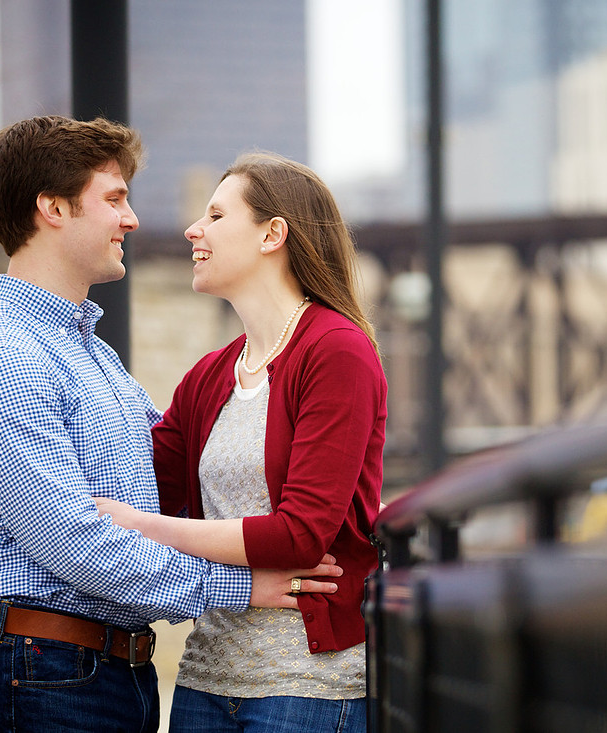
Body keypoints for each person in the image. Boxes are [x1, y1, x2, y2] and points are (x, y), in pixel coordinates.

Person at [0, 117, 340, 733]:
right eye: (114, 198)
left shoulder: (88, 354)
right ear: (52, 207)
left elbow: (176, 483)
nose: (131, 219)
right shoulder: (7, 356)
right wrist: (242, 586)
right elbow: (76, 542)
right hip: (41, 674)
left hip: (93, 672)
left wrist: (348, 507)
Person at [91, 152, 387, 732]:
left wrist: (152, 528)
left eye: (217, 215)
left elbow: (302, 534)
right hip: (205, 684)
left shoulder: (335, 351)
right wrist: (4, 531)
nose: (192, 230)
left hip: (307, 687)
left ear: (272, 234)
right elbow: (134, 485)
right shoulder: (210, 375)